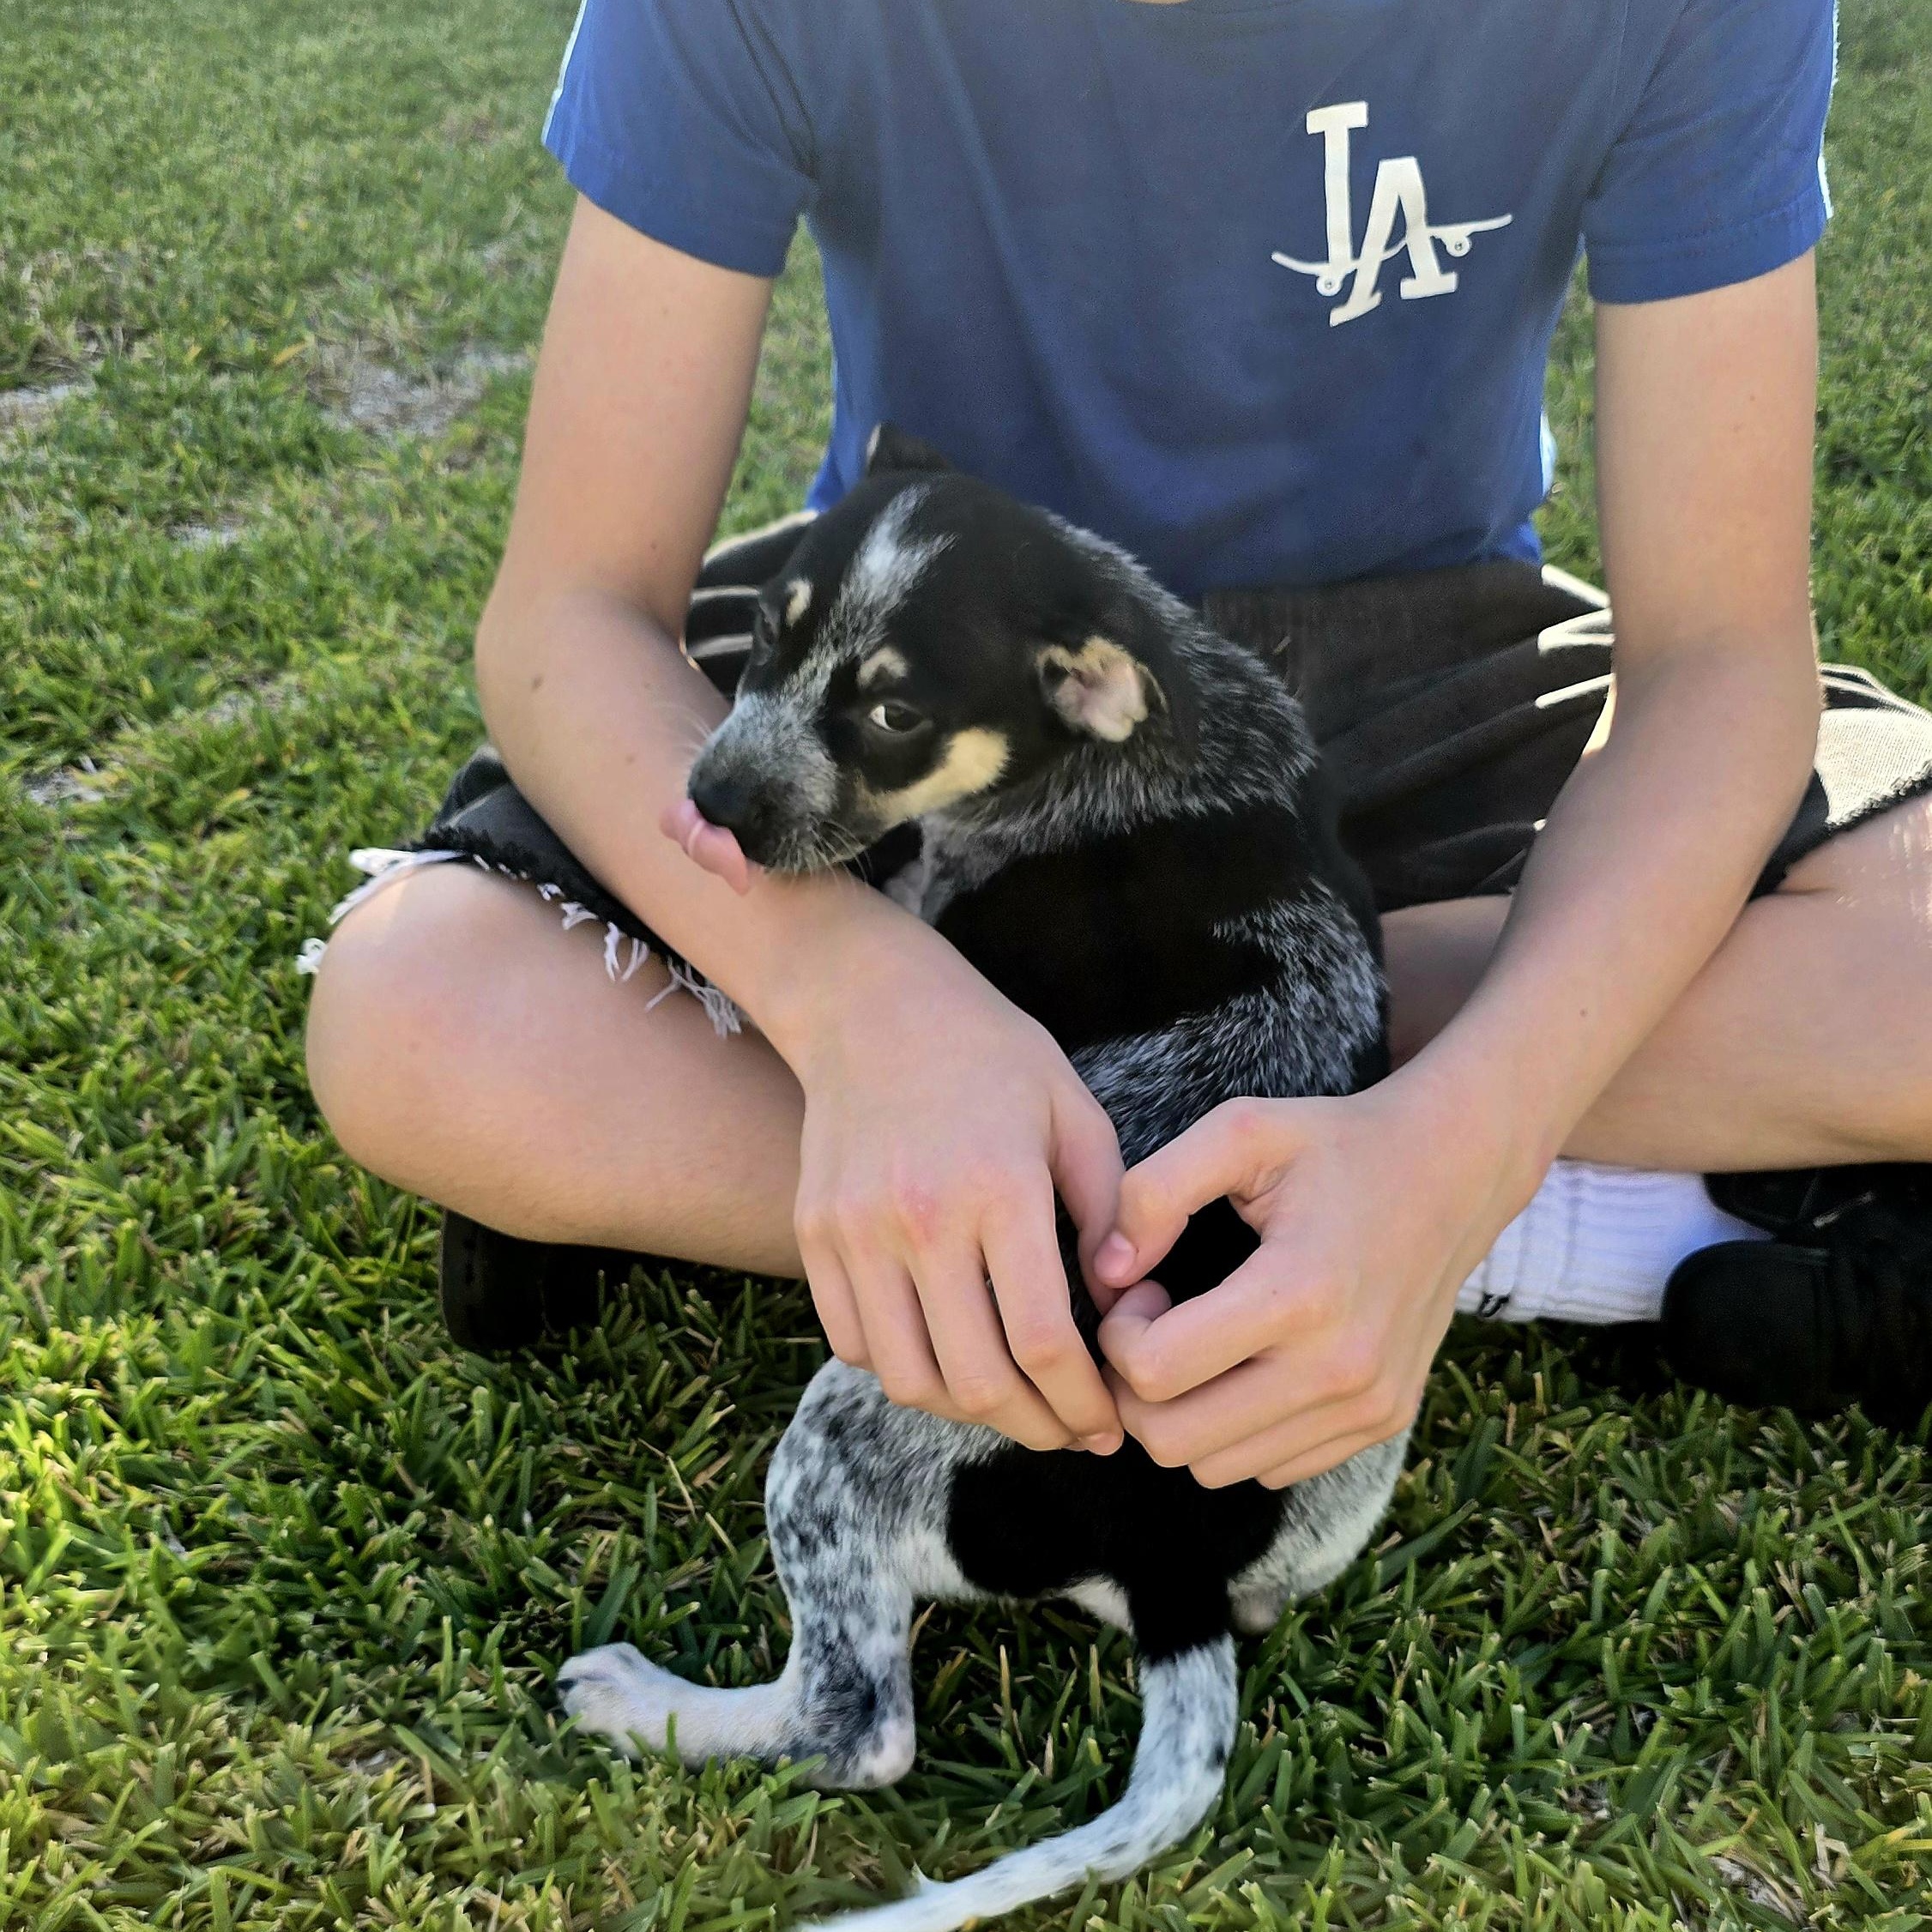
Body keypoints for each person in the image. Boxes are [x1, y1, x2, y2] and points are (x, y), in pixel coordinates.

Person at [304, 0, 1932, 1488]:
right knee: (421, 1010)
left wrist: (1467, 1148)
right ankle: (1567, 1233)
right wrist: (858, 1002)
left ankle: (848, 1174)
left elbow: (1719, 661)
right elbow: (572, 613)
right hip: (933, 684)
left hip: (1432, 647)